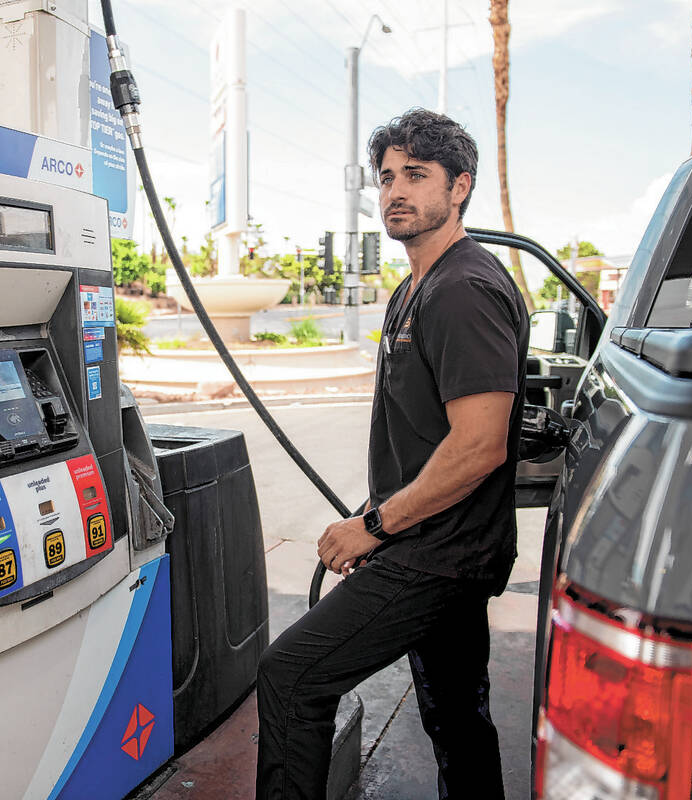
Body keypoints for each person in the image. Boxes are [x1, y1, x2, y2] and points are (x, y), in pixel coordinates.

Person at [256, 108, 529, 800]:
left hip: (436, 556)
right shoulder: (415, 287)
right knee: (455, 719)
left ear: (459, 186)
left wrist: (374, 528)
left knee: (292, 677)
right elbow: (428, 436)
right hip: (434, 541)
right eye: (385, 178)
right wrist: (380, 511)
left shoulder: (463, 290)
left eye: (416, 175)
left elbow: (478, 446)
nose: (395, 192)